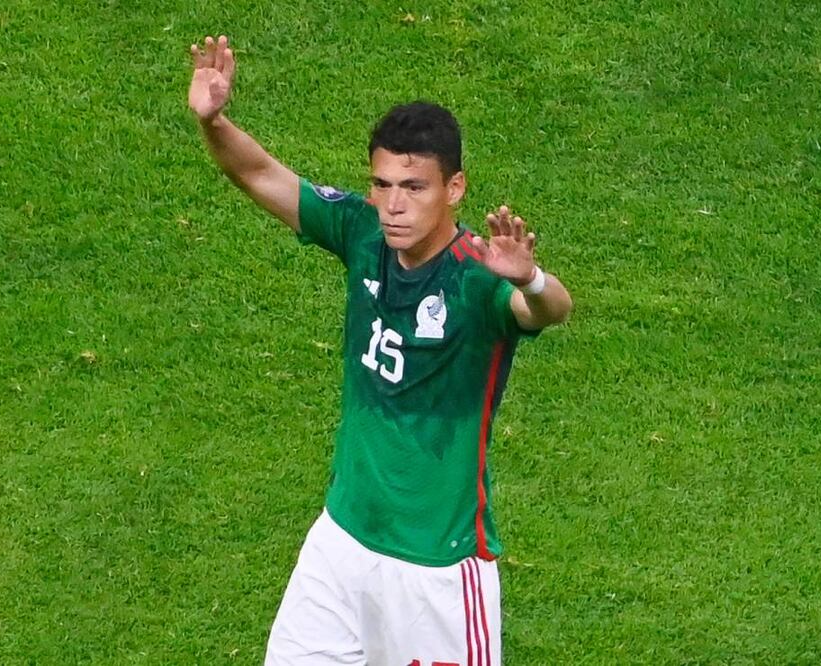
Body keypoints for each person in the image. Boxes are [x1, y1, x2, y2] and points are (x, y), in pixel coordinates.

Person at [189, 34, 573, 666]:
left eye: (414, 188)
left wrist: (528, 277)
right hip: (341, 541)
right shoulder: (361, 233)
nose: (393, 205)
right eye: (382, 184)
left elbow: (549, 310)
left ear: (454, 189)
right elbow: (258, 173)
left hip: (436, 568)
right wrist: (214, 121)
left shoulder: (477, 279)